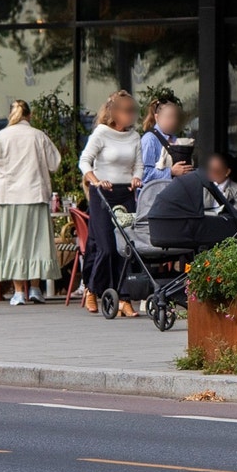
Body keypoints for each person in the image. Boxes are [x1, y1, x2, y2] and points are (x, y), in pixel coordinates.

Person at [0, 100, 63, 307]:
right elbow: (55, 163)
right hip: (35, 194)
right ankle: (36, 288)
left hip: (10, 196)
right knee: (37, 242)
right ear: (29, 115)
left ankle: (19, 291)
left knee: (14, 242)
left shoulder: (2, 136)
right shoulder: (38, 136)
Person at [79, 90, 143, 316]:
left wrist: (137, 178)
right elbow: (84, 162)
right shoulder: (101, 134)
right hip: (103, 193)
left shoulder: (134, 136)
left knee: (126, 248)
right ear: (114, 113)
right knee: (106, 248)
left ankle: (124, 298)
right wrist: (96, 181)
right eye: (126, 112)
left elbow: (138, 164)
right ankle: (93, 289)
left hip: (125, 193)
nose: (131, 116)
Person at [145, 168, 237, 251]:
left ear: (227, 171)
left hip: (211, 220)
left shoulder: (236, 188)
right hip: (188, 221)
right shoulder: (208, 186)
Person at [140, 97, 194, 186]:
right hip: (153, 195)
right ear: (157, 117)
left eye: (175, 117)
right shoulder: (149, 139)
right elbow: (144, 174)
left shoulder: (174, 138)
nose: (173, 121)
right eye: (169, 117)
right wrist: (171, 172)